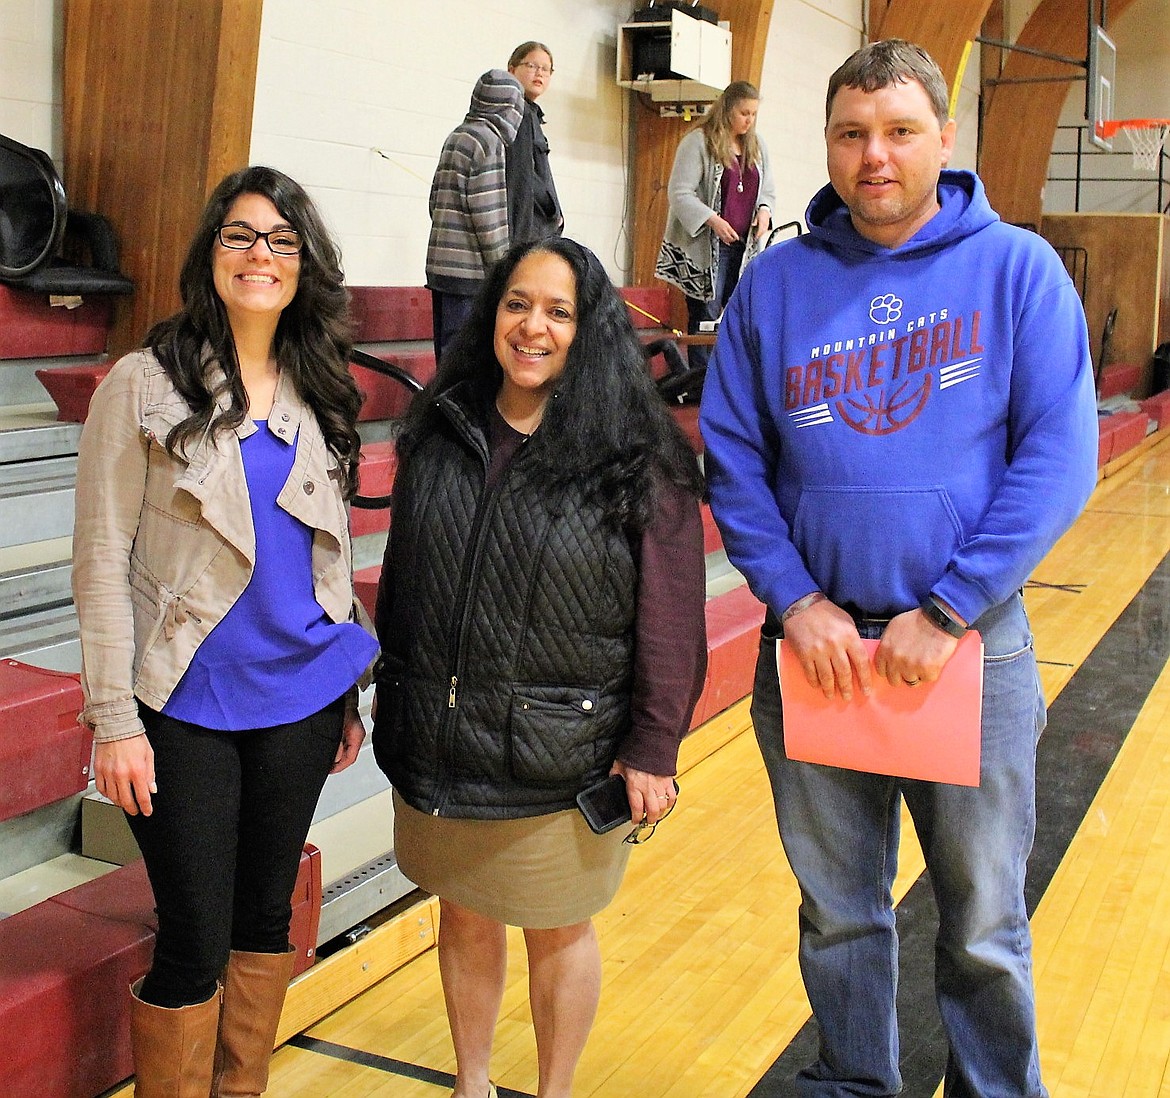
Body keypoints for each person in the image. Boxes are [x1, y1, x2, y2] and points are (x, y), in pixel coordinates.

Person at [699, 40, 1098, 1097]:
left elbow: (1060, 457)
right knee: (837, 912)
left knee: (982, 923)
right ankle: (854, 1084)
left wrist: (952, 604)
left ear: (944, 138)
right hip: (816, 655)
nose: (874, 156)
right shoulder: (774, 287)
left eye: (899, 131)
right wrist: (793, 601)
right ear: (825, 142)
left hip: (969, 652)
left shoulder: (1018, 270)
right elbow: (733, 459)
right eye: (850, 133)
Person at [372, 236, 707, 1098]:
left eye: (558, 311)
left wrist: (655, 743)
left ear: (588, 328)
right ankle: (473, 1082)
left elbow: (672, 617)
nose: (533, 327)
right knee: (464, 913)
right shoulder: (442, 429)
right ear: (492, 314)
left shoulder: (638, 452)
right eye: (519, 304)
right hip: (443, 740)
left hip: (562, 753)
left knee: (559, 930)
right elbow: (404, 581)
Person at [72, 165, 379, 1097]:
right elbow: (98, 558)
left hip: (304, 698)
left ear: (303, 263)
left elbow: (328, 551)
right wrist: (113, 719)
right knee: (195, 939)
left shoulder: (319, 385)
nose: (260, 254)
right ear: (211, 256)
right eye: (240, 235)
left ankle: (239, 1089)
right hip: (183, 704)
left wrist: (347, 693)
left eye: (281, 239)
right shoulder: (142, 383)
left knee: (263, 920)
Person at [655, 80, 775, 375]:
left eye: (753, 114)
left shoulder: (756, 147)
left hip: (743, 246)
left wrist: (764, 210)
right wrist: (713, 219)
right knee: (706, 315)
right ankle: (701, 379)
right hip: (707, 248)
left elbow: (767, 191)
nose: (749, 120)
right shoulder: (699, 142)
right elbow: (680, 192)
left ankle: (730, 378)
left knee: (739, 313)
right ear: (727, 110)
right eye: (744, 113)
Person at [427, 69, 525, 362]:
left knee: (444, 355)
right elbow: (488, 214)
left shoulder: (457, 135)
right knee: (465, 357)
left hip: (439, 268)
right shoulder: (489, 141)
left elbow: (434, 201)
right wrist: (503, 268)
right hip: (470, 275)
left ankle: (439, 406)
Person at [506, 40, 564, 246]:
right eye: (531, 66)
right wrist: (553, 211)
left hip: (536, 227)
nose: (539, 73)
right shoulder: (519, 114)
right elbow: (523, 176)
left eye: (546, 69)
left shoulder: (531, 113)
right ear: (511, 69)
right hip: (528, 229)